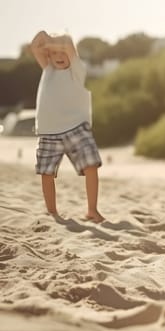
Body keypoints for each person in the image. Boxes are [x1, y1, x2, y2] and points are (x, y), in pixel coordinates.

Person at [30, 30, 104, 223]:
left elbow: (67, 46)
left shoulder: (77, 70)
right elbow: (35, 46)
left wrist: (55, 43)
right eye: (54, 53)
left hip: (77, 127)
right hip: (48, 131)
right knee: (46, 172)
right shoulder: (48, 70)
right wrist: (44, 36)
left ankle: (92, 210)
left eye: (62, 52)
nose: (59, 56)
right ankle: (52, 211)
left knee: (91, 165)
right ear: (48, 56)